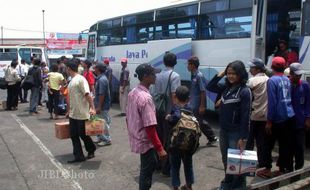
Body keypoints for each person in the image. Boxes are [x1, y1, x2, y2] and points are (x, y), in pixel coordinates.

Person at [206, 60, 252, 189]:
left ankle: (237, 186)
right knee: (226, 160)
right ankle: (228, 182)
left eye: (234, 73)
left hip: (236, 133)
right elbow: (209, 87)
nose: (230, 76)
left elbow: (246, 116)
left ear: (241, 74)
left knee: (237, 162)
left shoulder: (244, 91)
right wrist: (220, 74)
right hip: (224, 131)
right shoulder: (226, 88)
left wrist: (243, 138)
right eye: (229, 73)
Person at [126, 63, 167, 190]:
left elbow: (128, 118)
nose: (156, 76)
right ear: (145, 77)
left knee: (147, 168)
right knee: (146, 172)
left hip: (137, 137)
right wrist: (160, 148)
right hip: (145, 141)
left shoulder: (133, 92)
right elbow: (150, 127)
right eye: (153, 74)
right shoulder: (146, 98)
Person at [152, 52, 181, 175]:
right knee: (168, 140)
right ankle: (166, 168)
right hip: (169, 112)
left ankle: (157, 164)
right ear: (175, 63)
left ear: (164, 62)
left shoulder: (158, 75)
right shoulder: (175, 76)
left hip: (158, 110)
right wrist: (178, 111)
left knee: (158, 137)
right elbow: (174, 95)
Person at [265, 56, 295, 175]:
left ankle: (267, 169)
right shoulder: (287, 79)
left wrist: (269, 121)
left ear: (272, 67)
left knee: (267, 144)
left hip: (278, 118)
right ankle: (283, 169)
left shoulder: (272, 80)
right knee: (285, 144)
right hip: (289, 115)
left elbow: (272, 102)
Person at [165, 85, 195, 190]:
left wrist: (169, 118)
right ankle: (189, 186)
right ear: (189, 98)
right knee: (188, 165)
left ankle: (175, 187)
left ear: (176, 98)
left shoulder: (176, 108)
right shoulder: (191, 108)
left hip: (175, 145)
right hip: (189, 144)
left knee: (174, 167)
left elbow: (175, 118)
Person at [245, 58, 270, 178]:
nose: (250, 70)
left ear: (258, 69)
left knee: (249, 141)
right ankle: (262, 163)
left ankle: (247, 164)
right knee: (261, 142)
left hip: (253, 116)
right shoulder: (268, 79)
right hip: (265, 117)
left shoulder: (252, 81)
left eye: (252, 68)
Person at [67, 61, 96, 163]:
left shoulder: (81, 79)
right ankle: (79, 156)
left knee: (83, 134)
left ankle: (91, 149)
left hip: (82, 113)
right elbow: (70, 97)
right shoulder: (71, 81)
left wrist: (92, 108)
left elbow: (87, 94)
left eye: (67, 69)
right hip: (73, 113)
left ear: (69, 69)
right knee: (73, 135)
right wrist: (68, 110)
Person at [187, 56, 218, 146]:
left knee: (198, 121)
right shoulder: (193, 75)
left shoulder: (199, 76)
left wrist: (202, 106)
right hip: (193, 103)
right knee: (198, 121)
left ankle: (210, 137)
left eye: (189, 64)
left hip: (197, 104)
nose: (187, 66)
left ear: (193, 65)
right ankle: (211, 137)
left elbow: (203, 91)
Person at [289, 63, 310, 170]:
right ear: (291, 74)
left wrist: (308, 118)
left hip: (300, 122)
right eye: (296, 75)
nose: (298, 77)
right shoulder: (287, 85)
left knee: (300, 147)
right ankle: (287, 168)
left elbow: (308, 103)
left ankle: (299, 168)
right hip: (288, 122)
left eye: (300, 75)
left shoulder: (305, 85)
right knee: (288, 147)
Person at [93, 63, 112, 146]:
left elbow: (102, 94)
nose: (94, 69)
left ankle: (106, 139)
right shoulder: (99, 78)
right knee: (98, 121)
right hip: (99, 104)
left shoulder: (102, 80)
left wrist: (99, 106)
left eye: (95, 67)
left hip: (102, 105)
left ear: (98, 69)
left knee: (103, 122)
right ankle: (101, 137)